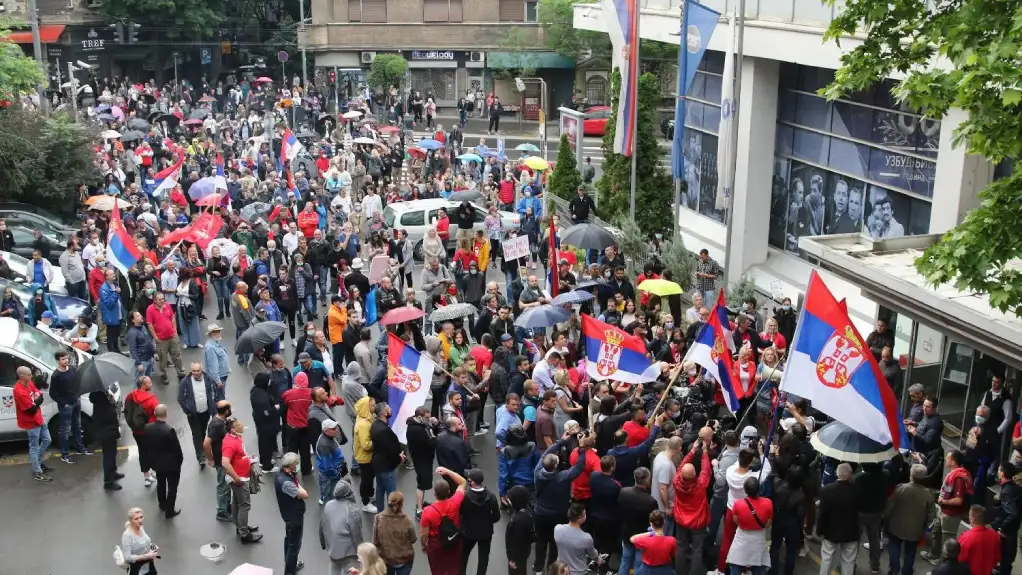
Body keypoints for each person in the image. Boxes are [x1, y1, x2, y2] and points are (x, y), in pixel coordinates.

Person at [534, 431, 590, 574]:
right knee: (554, 543)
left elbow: (545, 454)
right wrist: (582, 448)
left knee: (540, 541)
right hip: (558, 515)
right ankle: (552, 568)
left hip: (540, 514)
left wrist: (560, 442)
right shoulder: (563, 477)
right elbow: (579, 467)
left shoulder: (537, 473)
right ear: (557, 464)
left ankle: (538, 569)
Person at [922, 450, 974, 565]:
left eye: (948, 458)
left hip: (951, 515)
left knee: (947, 540)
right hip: (944, 511)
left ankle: (944, 566)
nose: (946, 458)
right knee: (936, 532)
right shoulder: (955, 474)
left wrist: (942, 501)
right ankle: (933, 555)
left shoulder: (959, 478)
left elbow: (958, 500)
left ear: (954, 462)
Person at [885, 463, 936, 575]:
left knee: (894, 548)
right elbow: (931, 516)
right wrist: (927, 531)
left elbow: (889, 507)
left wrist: (885, 521)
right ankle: (907, 572)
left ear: (911, 475)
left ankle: (894, 569)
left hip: (896, 526)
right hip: (915, 530)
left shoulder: (900, 489)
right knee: (910, 553)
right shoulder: (928, 495)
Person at [673, 435, 712, 575]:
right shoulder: (701, 484)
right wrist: (705, 452)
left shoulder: (677, 481)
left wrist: (692, 451)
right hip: (697, 521)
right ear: (695, 474)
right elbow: (706, 468)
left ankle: (680, 572)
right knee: (697, 549)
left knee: (681, 547)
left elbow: (682, 465)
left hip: (681, 519)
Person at [420, 467, 469, 575]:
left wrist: (424, 545)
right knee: (453, 567)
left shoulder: (427, 511)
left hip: (436, 544)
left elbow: (424, 535)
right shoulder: (455, 502)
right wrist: (447, 471)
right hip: (453, 541)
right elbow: (462, 482)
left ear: (434, 494)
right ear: (448, 492)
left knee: (438, 569)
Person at [222, 417, 262, 543]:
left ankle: (240, 526)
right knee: (245, 505)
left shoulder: (236, 437)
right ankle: (244, 534)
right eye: (238, 424)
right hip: (239, 478)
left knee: (237, 502)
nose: (241, 425)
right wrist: (236, 478)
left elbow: (239, 455)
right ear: (232, 429)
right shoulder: (230, 443)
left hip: (241, 475)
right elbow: (225, 463)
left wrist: (248, 458)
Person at [817, 463, 859, 575]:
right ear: (850, 474)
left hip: (830, 530)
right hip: (851, 531)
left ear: (837, 474)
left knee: (826, 558)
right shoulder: (857, 490)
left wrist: (820, 530)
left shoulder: (827, 490)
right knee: (848, 561)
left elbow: (822, 513)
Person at [49, 350, 91, 464]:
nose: (66, 360)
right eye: (63, 359)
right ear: (58, 361)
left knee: (77, 426)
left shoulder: (72, 369)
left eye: (66, 358)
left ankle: (80, 448)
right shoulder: (56, 376)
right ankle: (65, 454)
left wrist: (78, 395)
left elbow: (77, 382)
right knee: (65, 430)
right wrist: (63, 403)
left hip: (76, 401)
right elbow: (52, 393)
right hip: (66, 406)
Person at [177, 361, 222, 468]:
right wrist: (187, 410)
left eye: (198, 371)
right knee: (197, 434)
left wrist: (214, 406)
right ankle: (201, 457)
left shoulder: (208, 379)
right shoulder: (185, 382)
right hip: (193, 414)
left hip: (205, 412)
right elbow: (180, 398)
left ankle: (203, 448)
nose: (195, 373)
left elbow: (214, 392)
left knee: (202, 432)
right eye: (193, 371)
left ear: (201, 370)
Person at [13, 366, 53, 481]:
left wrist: (36, 401)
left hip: (39, 418)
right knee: (34, 447)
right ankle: (37, 472)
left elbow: (38, 394)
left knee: (47, 440)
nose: (31, 376)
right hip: (31, 422)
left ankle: (38, 463)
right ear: (22, 376)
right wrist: (37, 401)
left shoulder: (29, 383)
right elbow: (31, 410)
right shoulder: (19, 391)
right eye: (29, 374)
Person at [726, 477, 773, 575]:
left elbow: (735, 520)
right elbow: (768, 523)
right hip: (759, 539)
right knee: (759, 566)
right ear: (759, 489)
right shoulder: (768, 503)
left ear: (745, 489)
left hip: (741, 538)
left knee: (735, 564)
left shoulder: (738, 504)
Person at [145, 404, 184, 518]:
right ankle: (169, 510)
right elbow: (177, 450)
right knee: (172, 486)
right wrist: (179, 463)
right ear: (166, 414)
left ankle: (162, 503)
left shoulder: (148, 428)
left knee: (161, 483)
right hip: (171, 464)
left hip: (157, 462)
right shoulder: (169, 430)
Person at [460, 468, 501, 575]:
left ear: (472, 483)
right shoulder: (491, 496)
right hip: (486, 533)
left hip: (468, 533)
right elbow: (496, 516)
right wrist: (487, 521)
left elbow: (459, 513)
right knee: (483, 558)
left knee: (463, 557)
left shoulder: (465, 496)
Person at [321, 477, 365, 575]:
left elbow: (323, 526)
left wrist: (326, 546)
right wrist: (361, 551)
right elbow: (356, 534)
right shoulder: (352, 509)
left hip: (333, 549)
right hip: (348, 552)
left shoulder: (328, 505)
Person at [277, 452, 310, 574]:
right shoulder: (286, 483)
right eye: (296, 463)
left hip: (289, 514)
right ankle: (290, 571)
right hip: (294, 516)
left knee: (289, 540)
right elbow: (304, 494)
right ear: (290, 465)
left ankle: (289, 563)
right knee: (294, 545)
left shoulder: (283, 474)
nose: (297, 465)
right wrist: (300, 487)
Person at [124, 375, 159, 487]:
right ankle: (156, 472)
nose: (151, 384)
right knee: (153, 452)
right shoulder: (151, 399)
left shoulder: (130, 396)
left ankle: (147, 477)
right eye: (149, 382)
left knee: (142, 452)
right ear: (143, 385)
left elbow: (126, 411)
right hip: (149, 431)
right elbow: (158, 414)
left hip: (137, 431)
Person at [89, 381, 124, 490]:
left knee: (112, 452)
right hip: (106, 429)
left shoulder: (101, 393)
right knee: (108, 455)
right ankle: (108, 481)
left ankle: (113, 472)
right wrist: (110, 398)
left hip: (109, 428)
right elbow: (105, 410)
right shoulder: (99, 394)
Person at [373, 491, 418, 575]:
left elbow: (375, 541)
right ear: (401, 504)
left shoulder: (379, 518)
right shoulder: (407, 520)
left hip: (386, 559)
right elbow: (413, 539)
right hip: (405, 559)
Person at [370, 402, 404, 511]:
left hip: (377, 463)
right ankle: (392, 514)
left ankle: (380, 512)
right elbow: (390, 450)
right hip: (387, 466)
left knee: (380, 489)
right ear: (384, 412)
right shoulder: (384, 430)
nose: (391, 409)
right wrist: (399, 457)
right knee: (392, 493)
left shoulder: (375, 425)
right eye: (389, 408)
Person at [203, 400, 233, 522]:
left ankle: (226, 506)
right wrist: (210, 459)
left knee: (227, 484)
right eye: (230, 409)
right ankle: (221, 511)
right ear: (226, 411)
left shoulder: (222, 421)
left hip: (225, 458)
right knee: (223, 486)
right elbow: (206, 443)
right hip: (221, 460)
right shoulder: (217, 425)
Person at [991, 462, 1022, 575]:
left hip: (1006, 533)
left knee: (1004, 559)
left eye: (999, 469)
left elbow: (1013, 513)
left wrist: (1002, 528)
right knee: (1006, 561)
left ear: (1003, 473)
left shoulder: (1007, 491)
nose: (998, 471)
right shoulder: (1015, 488)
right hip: (1012, 530)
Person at [555, 502, 599, 575]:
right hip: (579, 572)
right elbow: (593, 554)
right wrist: (598, 559)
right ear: (580, 519)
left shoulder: (557, 529)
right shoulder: (586, 538)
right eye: (584, 514)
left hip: (562, 570)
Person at [629, 510, 676, 575]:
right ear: (664, 523)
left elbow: (632, 539)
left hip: (647, 570)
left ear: (651, 524)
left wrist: (650, 533)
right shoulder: (672, 540)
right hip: (665, 570)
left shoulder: (646, 541)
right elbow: (673, 555)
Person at [251, 372, 282, 472]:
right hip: (267, 425)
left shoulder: (255, 391)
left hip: (261, 423)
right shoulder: (262, 397)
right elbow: (267, 412)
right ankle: (267, 466)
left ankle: (264, 460)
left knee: (262, 442)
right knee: (267, 444)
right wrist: (275, 408)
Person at [958, 505, 1000, 575]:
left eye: (969, 516)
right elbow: (997, 557)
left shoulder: (966, 537)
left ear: (972, 519)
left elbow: (960, 559)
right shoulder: (994, 535)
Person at [353, 396, 378, 512]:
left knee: (370, 476)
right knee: (366, 479)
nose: (375, 407)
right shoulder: (363, 424)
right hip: (365, 457)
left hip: (369, 457)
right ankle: (365, 502)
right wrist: (379, 440)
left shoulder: (367, 418)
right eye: (372, 405)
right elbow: (366, 445)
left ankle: (369, 494)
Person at [316, 419, 348, 504]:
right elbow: (327, 467)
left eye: (336, 427)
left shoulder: (329, 437)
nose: (337, 430)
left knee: (327, 494)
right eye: (333, 429)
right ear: (326, 431)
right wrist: (336, 474)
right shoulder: (325, 445)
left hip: (330, 474)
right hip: (329, 477)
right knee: (330, 499)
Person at [120, 507, 159, 575]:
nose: (140, 520)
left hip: (149, 566)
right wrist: (146, 556)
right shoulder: (127, 535)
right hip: (138, 570)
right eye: (136, 519)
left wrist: (151, 546)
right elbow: (127, 557)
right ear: (131, 520)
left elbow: (144, 542)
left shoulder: (141, 528)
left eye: (141, 517)